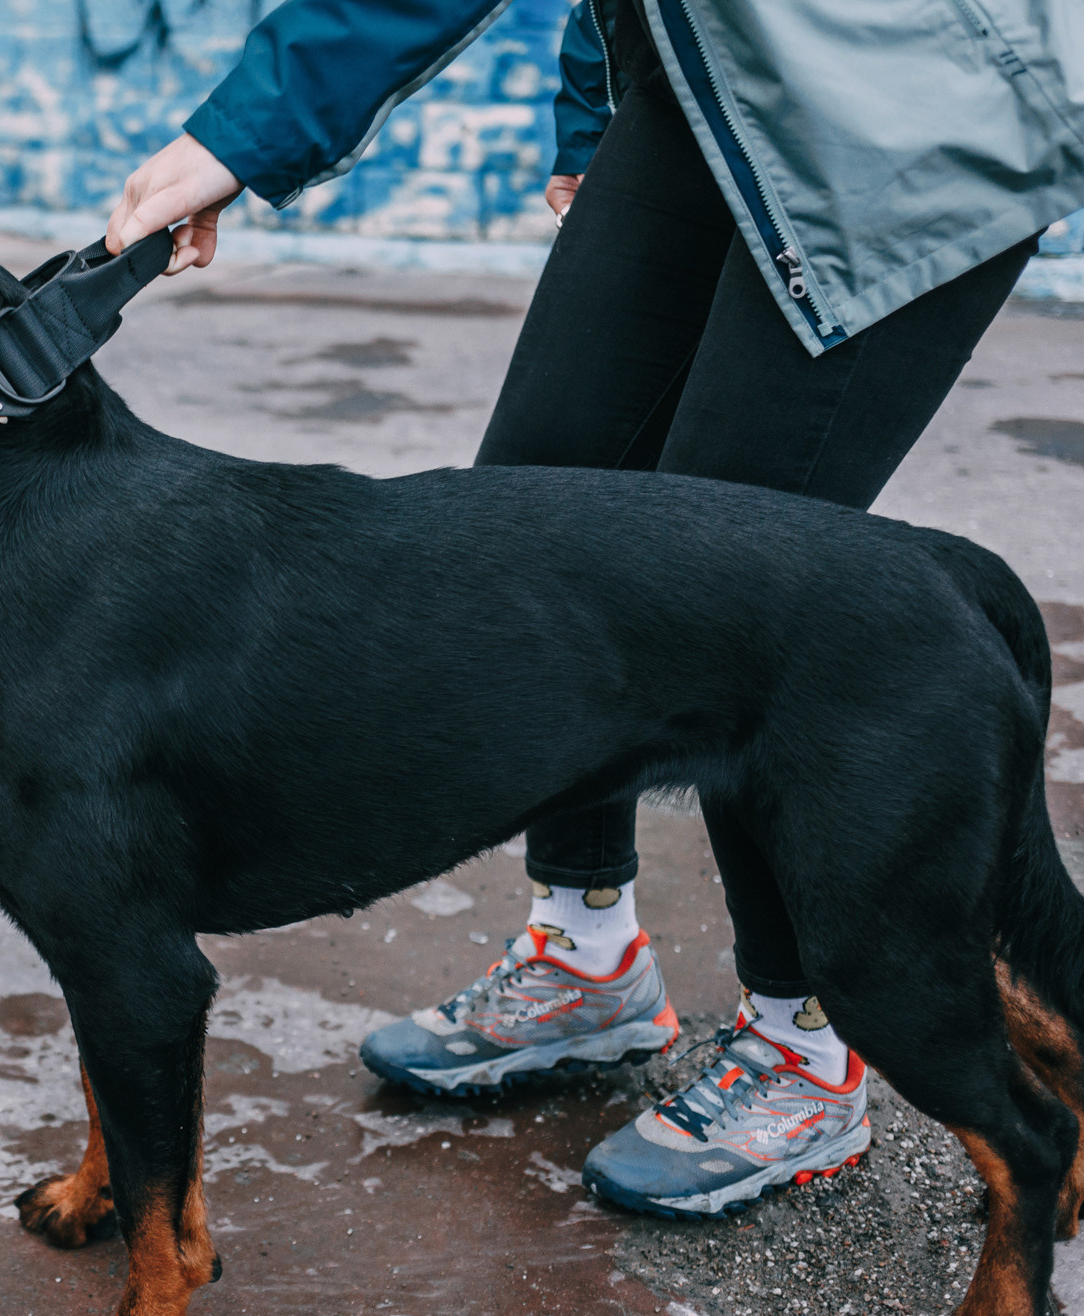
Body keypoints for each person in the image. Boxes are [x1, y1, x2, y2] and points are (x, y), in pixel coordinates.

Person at [104, 0, 1084, 1219]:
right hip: (713, 78)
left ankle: (803, 1047)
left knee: (738, 600)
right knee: (525, 511)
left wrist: (239, 138)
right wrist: (594, 107)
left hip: (903, 97)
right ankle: (586, 953)